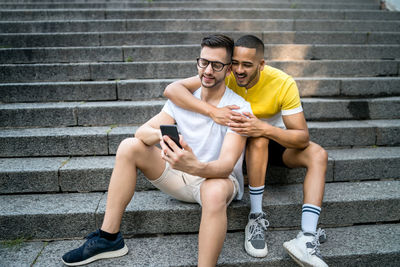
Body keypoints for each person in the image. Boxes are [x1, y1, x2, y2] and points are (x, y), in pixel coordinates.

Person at [61, 34, 252, 267]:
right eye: (203, 62)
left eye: (217, 65)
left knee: (213, 190)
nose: (208, 70)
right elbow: (142, 132)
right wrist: (165, 136)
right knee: (129, 146)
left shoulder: (239, 109)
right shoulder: (183, 99)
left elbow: (225, 166)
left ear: (229, 69)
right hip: (179, 175)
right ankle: (109, 238)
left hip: (215, 181)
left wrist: (194, 165)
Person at [164, 35, 328, 267]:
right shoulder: (227, 74)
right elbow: (172, 90)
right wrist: (211, 111)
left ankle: (307, 238)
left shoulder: (283, 83)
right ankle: (255, 217)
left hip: (275, 141)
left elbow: (302, 137)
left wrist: (263, 127)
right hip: (240, 148)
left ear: (262, 64)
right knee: (258, 139)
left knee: (318, 153)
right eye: (236, 63)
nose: (239, 70)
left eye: (247, 65)